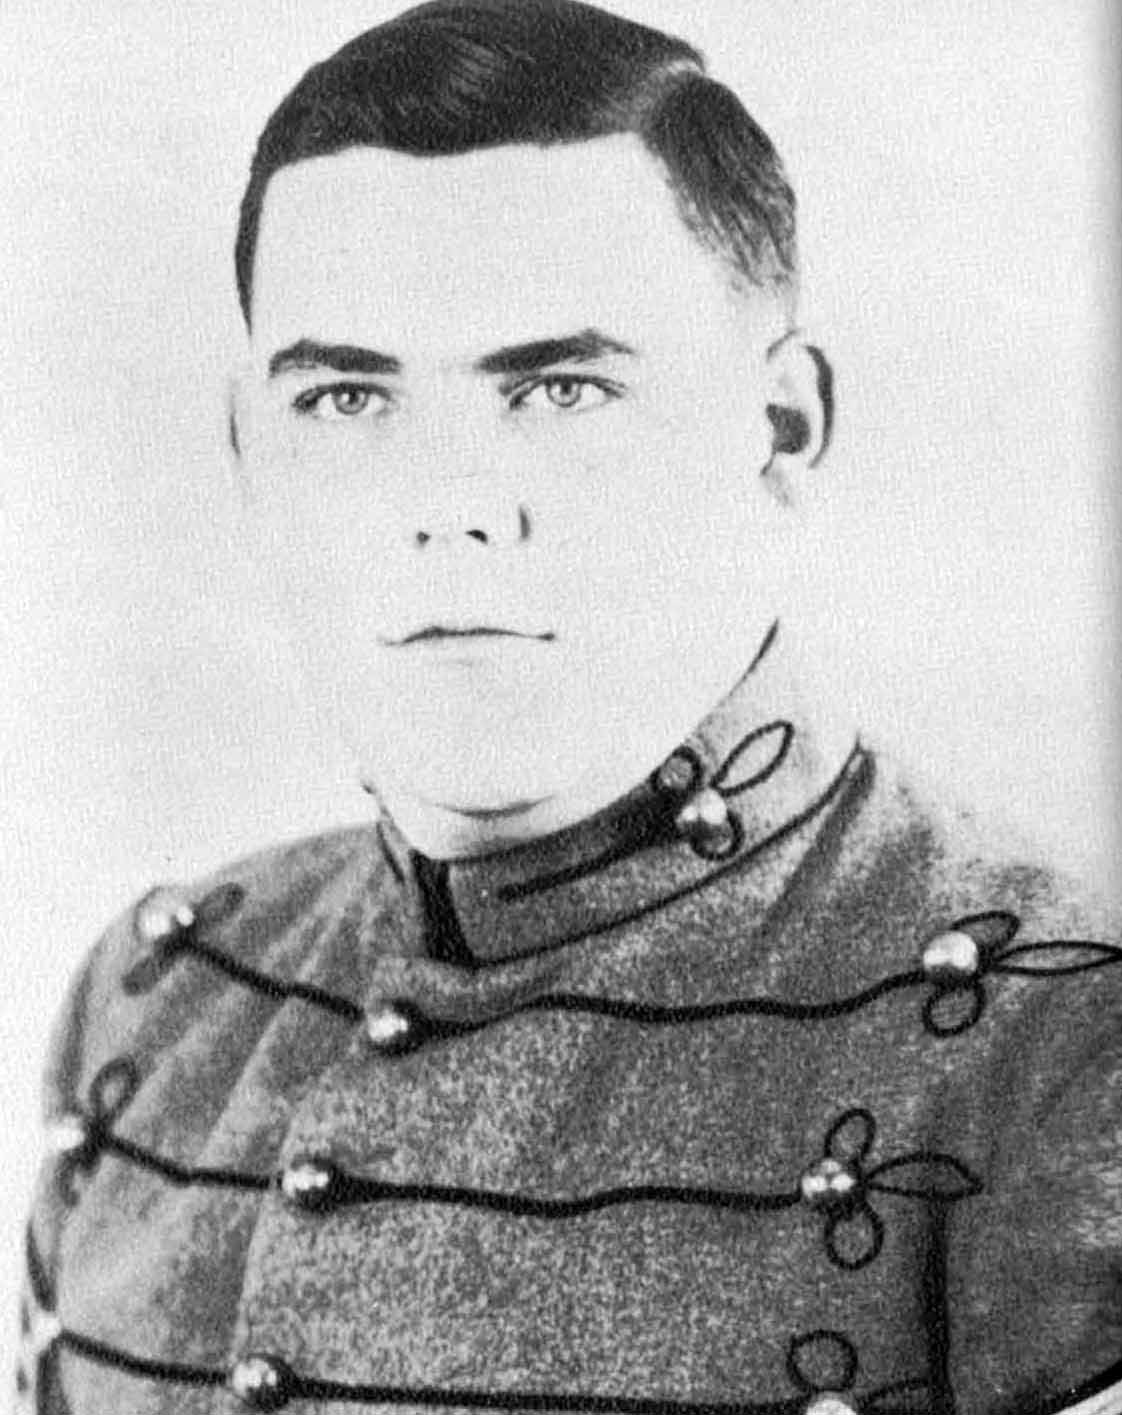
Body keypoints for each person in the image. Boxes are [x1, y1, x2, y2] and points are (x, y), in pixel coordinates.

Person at [17, 1, 1121, 1411]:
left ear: (780, 430)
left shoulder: (1055, 1045)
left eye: (558, 389)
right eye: (346, 399)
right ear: (248, 448)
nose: (448, 507)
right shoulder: (158, 1003)